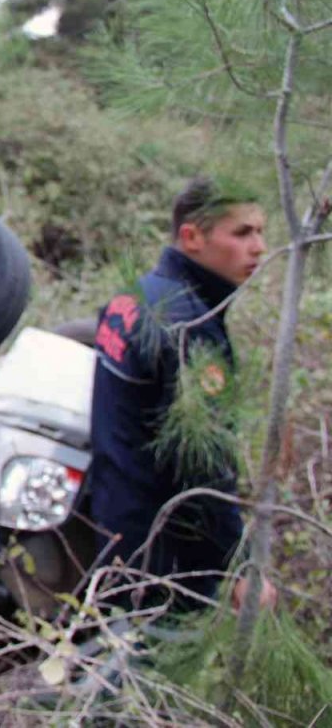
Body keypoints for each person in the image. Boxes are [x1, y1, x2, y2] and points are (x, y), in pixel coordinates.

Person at [90, 176, 276, 613]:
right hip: (165, 558)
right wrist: (238, 565)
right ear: (192, 236)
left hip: (117, 528)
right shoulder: (187, 327)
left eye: (261, 231)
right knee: (149, 667)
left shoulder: (134, 297)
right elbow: (202, 466)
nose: (260, 247)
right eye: (242, 232)